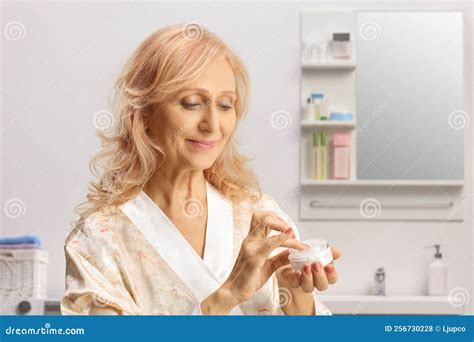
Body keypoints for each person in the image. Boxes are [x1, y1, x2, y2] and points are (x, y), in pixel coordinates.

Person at [61, 23, 341, 315]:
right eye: (193, 103)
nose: (212, 125)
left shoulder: (258, 217)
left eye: (225, 105)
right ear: (144, 113)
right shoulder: (98, 241)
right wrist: (225, 296)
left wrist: (298, 300)